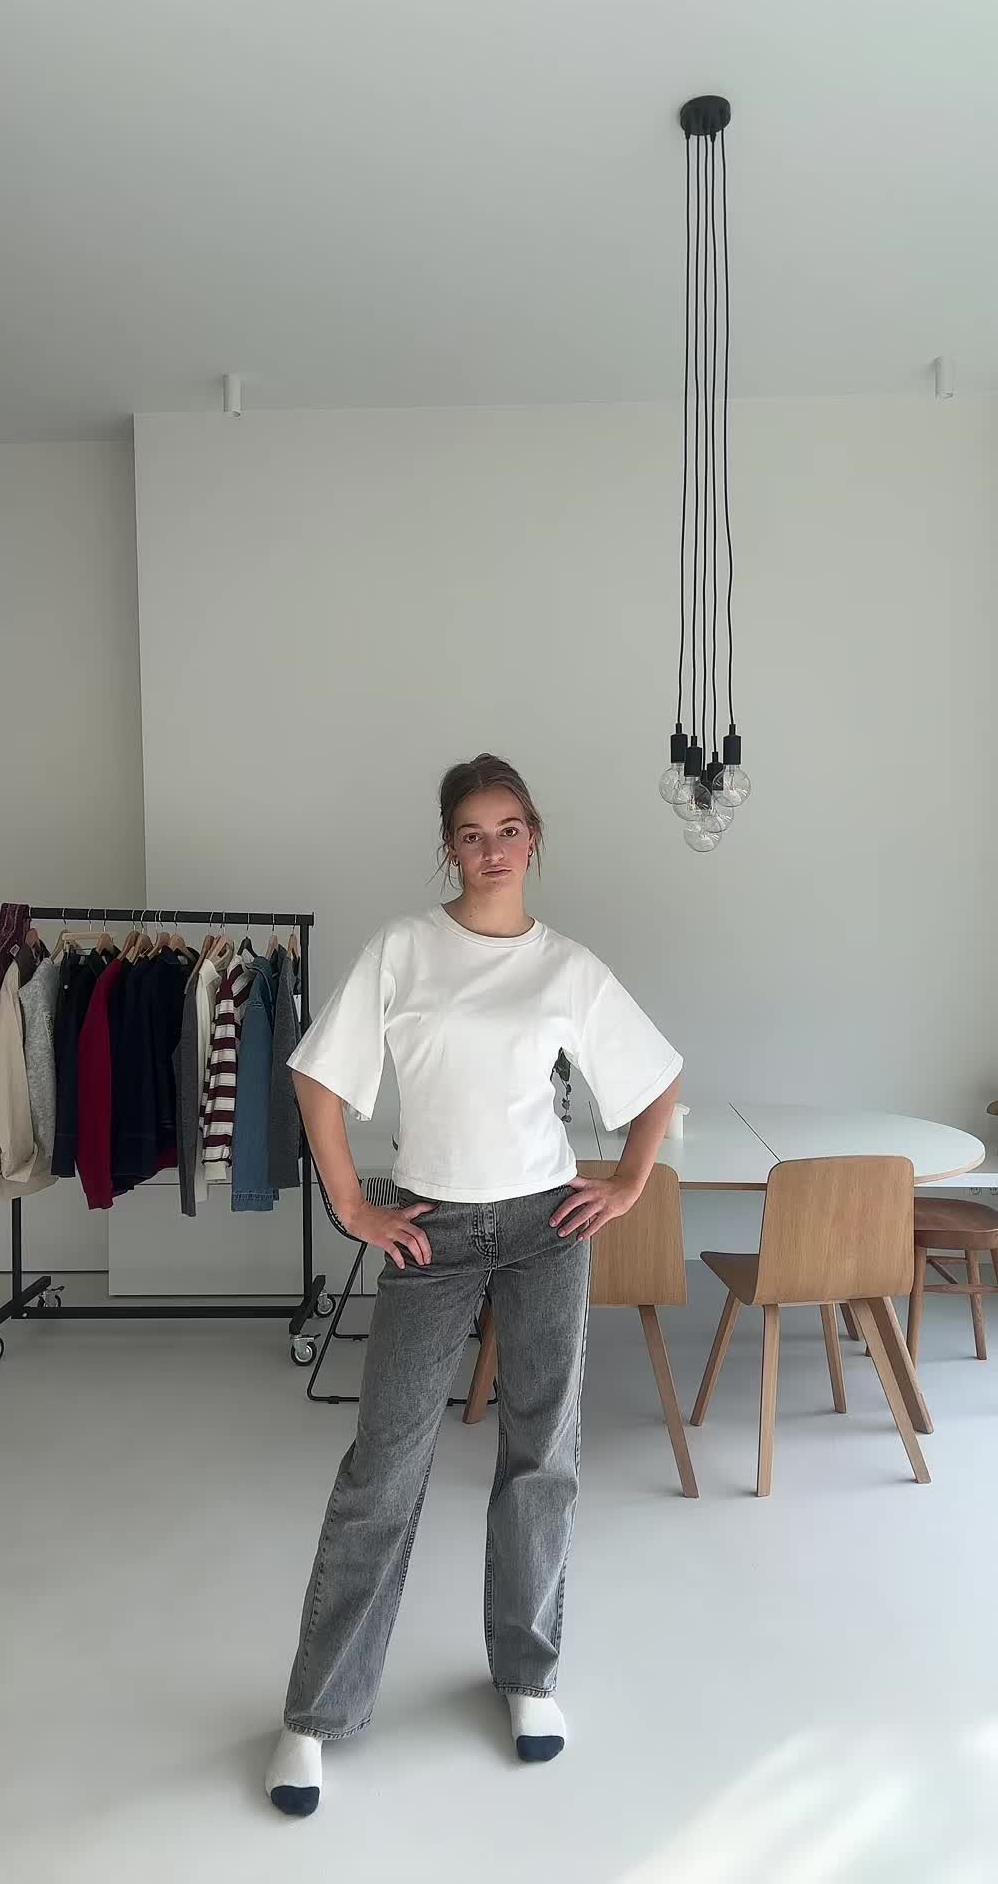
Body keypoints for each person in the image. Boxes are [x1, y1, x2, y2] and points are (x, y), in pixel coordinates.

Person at [266, 754, 682, 1816]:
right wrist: (352, 1204)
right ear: (448, 847)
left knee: (542, 1456)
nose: (491, 849)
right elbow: (317, 1075)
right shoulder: (404, 949)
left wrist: (628, 1182)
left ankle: (528, 1676)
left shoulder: (566, 967)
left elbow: (656, 1078)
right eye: (470, 832)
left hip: (547, 1228)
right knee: (383, 1469)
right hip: (433, 1232)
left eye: (508, 829)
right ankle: (317, 1714)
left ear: (533, 836)